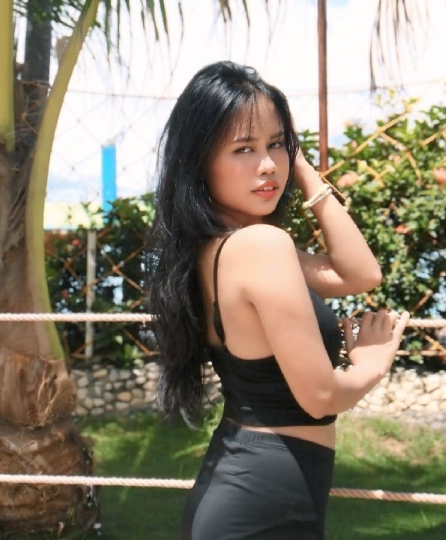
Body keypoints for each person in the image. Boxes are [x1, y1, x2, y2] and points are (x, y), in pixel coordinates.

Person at [146, 61, 409, 540]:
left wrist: (303, 169)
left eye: (278, 144)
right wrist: (370, 364)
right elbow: (321, 396)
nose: (268, 165)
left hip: (254, 486)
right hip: (262, 501)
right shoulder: (259, 247)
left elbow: (359, 273)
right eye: (243, 149)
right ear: (200, 161)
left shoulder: (219, 248)